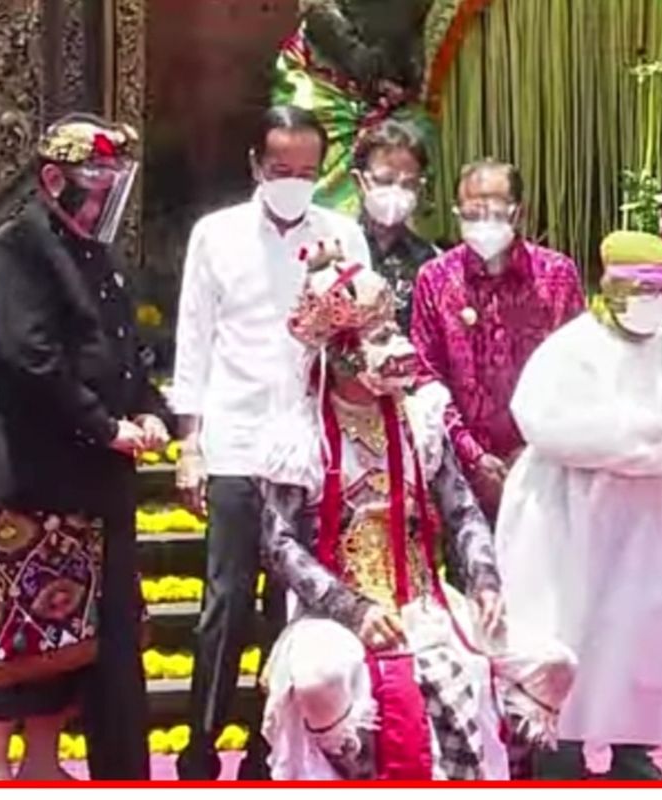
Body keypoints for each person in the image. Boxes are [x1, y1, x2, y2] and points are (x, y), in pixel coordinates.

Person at [255, 257, 576, 780]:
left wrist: (485, 583)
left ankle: (497, 771)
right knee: (319, 677)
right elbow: (279, 545)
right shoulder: (300, 436)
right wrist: (351, 609)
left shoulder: (422, 418)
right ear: (341, 355)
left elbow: (462, 509)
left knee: (554, 665)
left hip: (428, 603)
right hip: (338, 611)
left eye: (394, 331)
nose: (400, 348)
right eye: (380, 338)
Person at [0, 113, 172, 780]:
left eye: (112, 182)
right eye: (93, 181)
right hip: (20, 465)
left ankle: (42, 763)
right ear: (54, 179)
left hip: (85, 475)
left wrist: (148, 410)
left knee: (66, 628)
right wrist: (107, 427)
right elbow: (31, 359)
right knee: (11, 623)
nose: (105, 195)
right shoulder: (18, 247)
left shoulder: (96, 256)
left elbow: (126, 354)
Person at [171, 105, 372, 780]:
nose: (294, 182)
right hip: (234, 440)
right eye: (281, 169)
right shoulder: (216, 235)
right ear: (256, 165)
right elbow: (193, 342)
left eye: (309, 172)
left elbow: (361, 346)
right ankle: (201, 747)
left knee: (293, 603)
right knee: (225, 603)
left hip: (312, 448)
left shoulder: (343, 235)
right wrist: (190, 443)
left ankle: (273, 750)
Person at [496, 231, 662, 780]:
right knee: (563, 628)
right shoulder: (571, 349)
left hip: (640, 518)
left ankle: (632, 751)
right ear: (612, 285)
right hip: (564, 515)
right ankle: (558, 752)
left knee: (638, 632)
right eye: (643, 288)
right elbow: (547, 424)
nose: (656, 301)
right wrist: (648, 436)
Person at [411, 159, 585, 523]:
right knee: (478, 576)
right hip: (461, 473)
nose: (483, 222)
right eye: (472, 212)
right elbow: (426, 375)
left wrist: (533, 449)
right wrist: (473, 456)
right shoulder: (435, 278)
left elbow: (576, 370)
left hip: (543, 467)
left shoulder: (557, 275)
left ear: (518, 212)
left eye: (494, 210)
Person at [352, 119, 439, 332]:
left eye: (408, 184)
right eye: (384, 181)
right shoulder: (338, 246)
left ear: (420, 188)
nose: (396, 191)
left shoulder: (429, 261)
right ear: (359, 182)